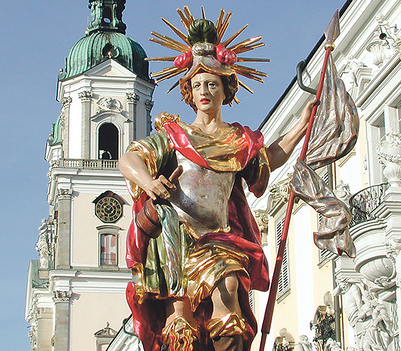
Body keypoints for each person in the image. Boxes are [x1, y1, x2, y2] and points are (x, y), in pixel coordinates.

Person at [119, 15, 315, 351]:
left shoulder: (238, 140)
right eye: (197, 86)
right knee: (179, 322)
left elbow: (268, 158)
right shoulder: (175, 135)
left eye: (211, 84)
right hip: (176, 238)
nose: (204, 91)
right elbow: (129, 160)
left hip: (221, 237)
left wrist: (301, 124)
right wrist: (150, 183)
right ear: (189, 94)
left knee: (228, 290)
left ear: (226, 89)